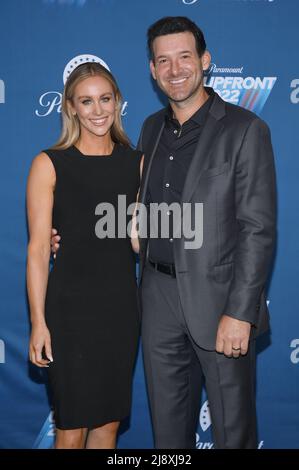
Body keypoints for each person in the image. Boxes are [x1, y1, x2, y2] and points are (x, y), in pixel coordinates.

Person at [52, 16, 277, 449]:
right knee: (168, 437)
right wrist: (63, 236)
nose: (175, 70)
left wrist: (241, 312)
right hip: (155, 298)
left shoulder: (246, 129)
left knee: (233, 433)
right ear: (152, 71)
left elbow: (258, 229)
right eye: (163, 61)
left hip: (220, 303)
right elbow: (130, 213)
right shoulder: (151, 129)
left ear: (205, 61)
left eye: (184, 58)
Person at [27, 62, 143, 449]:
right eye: (86, 101)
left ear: (118, 103)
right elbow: (40, 248)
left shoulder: (138, 163)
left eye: (105, 99)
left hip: (121, 311)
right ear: (71, 107)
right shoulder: (49, 164)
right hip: (69, 313)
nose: (97, 110)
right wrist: (39, 322)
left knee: (108, 426)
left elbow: (145, 236)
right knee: (71, 429)